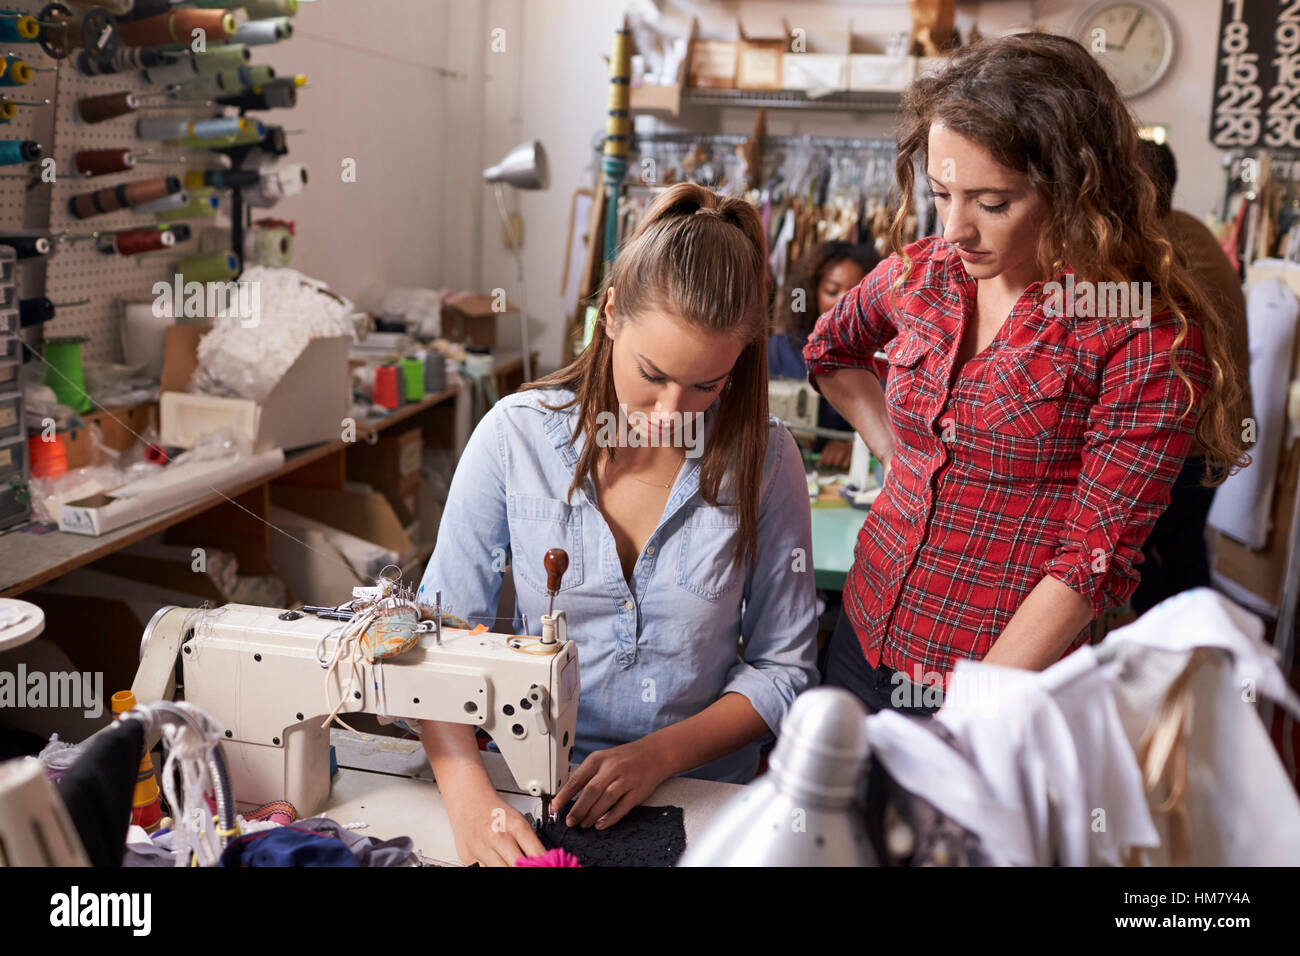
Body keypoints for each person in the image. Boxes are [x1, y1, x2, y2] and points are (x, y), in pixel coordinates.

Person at [804, 34, 1249, 716]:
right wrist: (899, 454)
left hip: (994, 682)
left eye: (992, 202)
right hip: (862, 634)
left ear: (1074, 189)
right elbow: (831, 351)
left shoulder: (1143, 336)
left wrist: (972, 715)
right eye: (941, 193)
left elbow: (1089, 563)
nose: (954, 228)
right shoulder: (923, 273)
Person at [417, 182, 819, 866]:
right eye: (652, 374)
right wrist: (465, 792)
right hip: (526, 789)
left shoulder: (766, 458)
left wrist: (661, 755)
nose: (670, 411)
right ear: (610, 315)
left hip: (700, 801)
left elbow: (784, 668)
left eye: (705, 386)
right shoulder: (514, 441)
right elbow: (436, 640)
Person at [1131, 138, 1252, 613]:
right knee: (1183, 553)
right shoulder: (1186, 231)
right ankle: (1205, 661)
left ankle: (1177, 653)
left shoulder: (1158, 248)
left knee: (1123, 558)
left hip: (1189, 439)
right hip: (1214, 437)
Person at [769, 241, 880, 468]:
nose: (843, 302)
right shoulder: (782, 351)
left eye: (854, 292)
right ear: (813, 293)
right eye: (832, 291)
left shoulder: (886, 358)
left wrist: (858, 447)